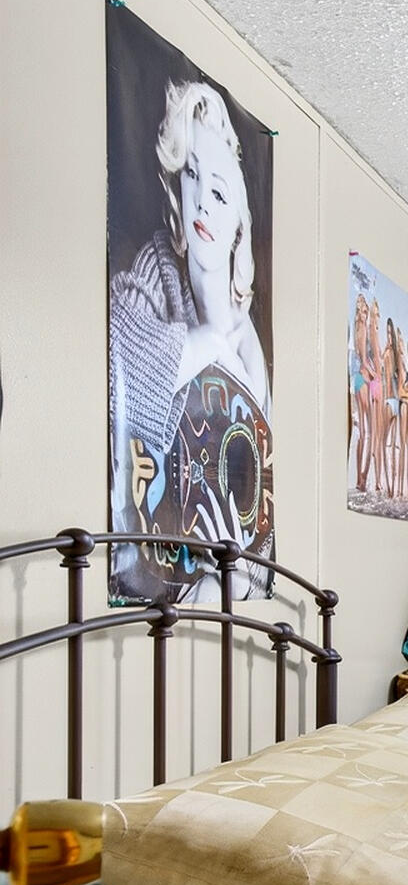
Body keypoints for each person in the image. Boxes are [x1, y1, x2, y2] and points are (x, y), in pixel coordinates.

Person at [107, 78, 269, 599]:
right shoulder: (155, 274)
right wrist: (209, 344)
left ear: (237, 226)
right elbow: (122, 374)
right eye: (192, 176)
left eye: (219, 193)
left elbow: (259, 505)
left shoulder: (251, 349)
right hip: (153, 570)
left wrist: (236, 577)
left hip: (219, 580)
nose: (201, 203)